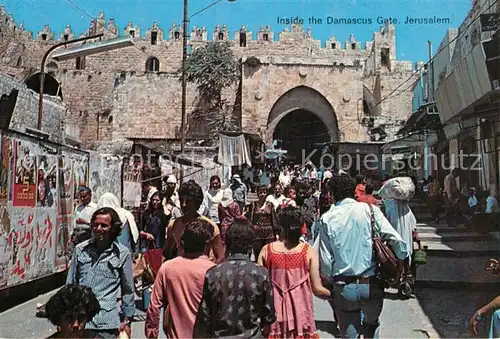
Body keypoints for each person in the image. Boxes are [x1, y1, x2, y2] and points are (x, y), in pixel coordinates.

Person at [318, 175, 409, 338]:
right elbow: (397, 241)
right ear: (353, 191)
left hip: (344, 286)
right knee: (372, 326)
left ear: (332, 193)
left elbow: (325, 261)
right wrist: (401, 263)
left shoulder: (327, 219)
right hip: (371, 284)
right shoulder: (370, 210)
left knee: (349, 335)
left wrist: (329, 284)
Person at [193, 218, 276, 338]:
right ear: (251, 244)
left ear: (227, 243)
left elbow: (205, 317)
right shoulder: (261, 274)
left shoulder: (213, 274)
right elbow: (268, 316)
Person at [258, 207, 330, 338]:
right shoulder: (307, 251)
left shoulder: (266, 251)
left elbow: (258, 288)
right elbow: (317, 289)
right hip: (301, 317)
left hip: (274, 316)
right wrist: (334, 293)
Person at [66, 207, 135, 337]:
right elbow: (70, 285)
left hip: (107, 324)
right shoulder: (80, 250)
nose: (99, 229)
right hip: (82, 323)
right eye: (96, 225)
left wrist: (127, 320)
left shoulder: (122, 254)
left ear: (113, 228)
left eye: (104, 226)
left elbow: (128, 289)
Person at [145, 219, 216, 338]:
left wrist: (152, 332)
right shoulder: (214, 271)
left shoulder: (168, 268)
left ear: (183, 243)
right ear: (207, 245)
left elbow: (154, 306)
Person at [163, 180, 225, 263]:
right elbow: (166, 252)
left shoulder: (210, 226)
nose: (184, 205)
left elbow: (220, 256)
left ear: (196, 202)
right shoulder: (174, 225)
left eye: (188, 201)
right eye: (181, 201)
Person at [246, 185, 280, 260]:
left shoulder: (270, 205)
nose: (262, 194)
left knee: (268, 254)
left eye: (264, 192)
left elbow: (274, 219)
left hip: (269, 234)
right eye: (260, 192)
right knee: (258, 254)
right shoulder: (253, 205)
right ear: (257, 193)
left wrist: (277, 233)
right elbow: (250, 219)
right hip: (257, 234)